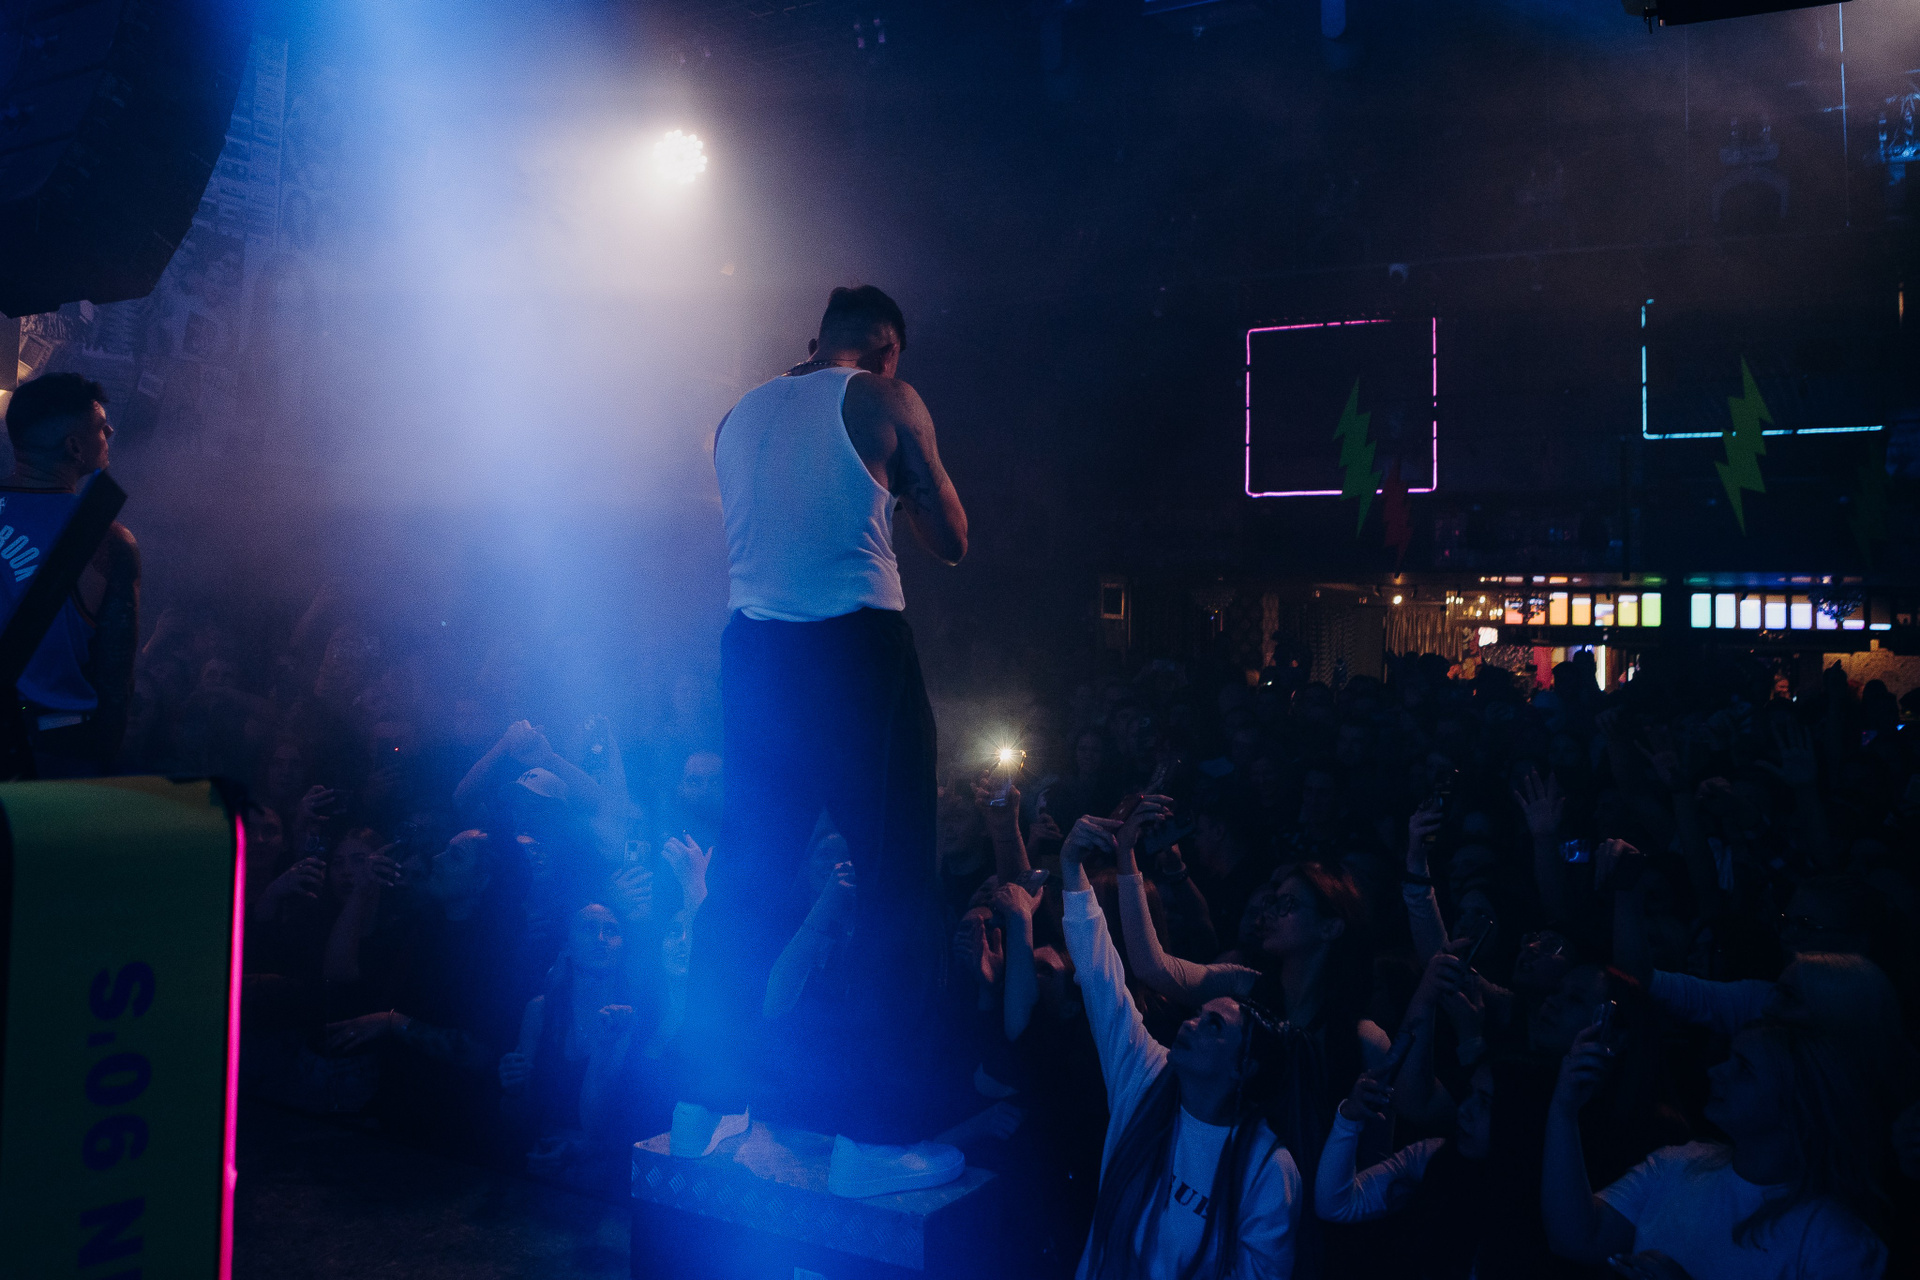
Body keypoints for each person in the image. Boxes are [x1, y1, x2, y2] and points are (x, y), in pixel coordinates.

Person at [692, 284, 967, 1145]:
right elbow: (952, 539)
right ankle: (879, 1134)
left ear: (815, 341)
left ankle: (703, 1100)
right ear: (888, 351)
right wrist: (902, 482)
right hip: (853, 648)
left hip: (754, 651)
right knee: (894, 880)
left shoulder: (736, 415)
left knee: (748, 873)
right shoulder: (887, 398)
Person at [1060, 813, 1301, 1279]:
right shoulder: (1145, 1075)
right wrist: (1071, 867)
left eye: (1214, 1025)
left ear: (1244, 1066)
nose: (1191, 1023)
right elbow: (1099, 976)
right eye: (1198, 1013)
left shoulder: (1267, 1170)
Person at [1542, 1016, 1888, 1279]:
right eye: (1729, 1058)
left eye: (1745, 1068)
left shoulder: (1837, 1240)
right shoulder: (1677, 1164)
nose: (1717, 1072)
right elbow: (1578, 1238)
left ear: (1797, 1106)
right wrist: (1564, 1110)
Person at [0, 372, 139, 774]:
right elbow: (115, 683)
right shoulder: (106, 540)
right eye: (100, 426)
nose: (109, 432)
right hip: (55, 752)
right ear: (74, 447)